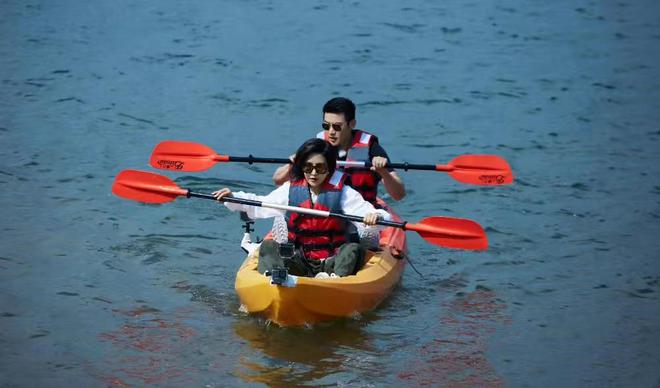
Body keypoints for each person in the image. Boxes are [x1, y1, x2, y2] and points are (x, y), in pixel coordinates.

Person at [213, 138, 391, 278]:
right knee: (268, 246)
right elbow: (260, 205)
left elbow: (373, 214)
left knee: (353, 249)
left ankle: (333, 281)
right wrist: (233, 197)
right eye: (308, 167)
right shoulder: (290, 189)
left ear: (329, 169)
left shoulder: (345, 193)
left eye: (320, 168)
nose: (313, 173)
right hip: (300, 259)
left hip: (333, 261)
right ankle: (273, 280)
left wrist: (376, 217)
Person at [273, 97, 406, 205]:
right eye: (326, 126)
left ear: (352, 124)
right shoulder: (317, 146)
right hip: (328, 212)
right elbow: (278, 180)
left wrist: (383, 172)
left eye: (337, 127)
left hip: (363, 213)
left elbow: (399, 195)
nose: (331, 132)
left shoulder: (371, 149)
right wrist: (292, 164)